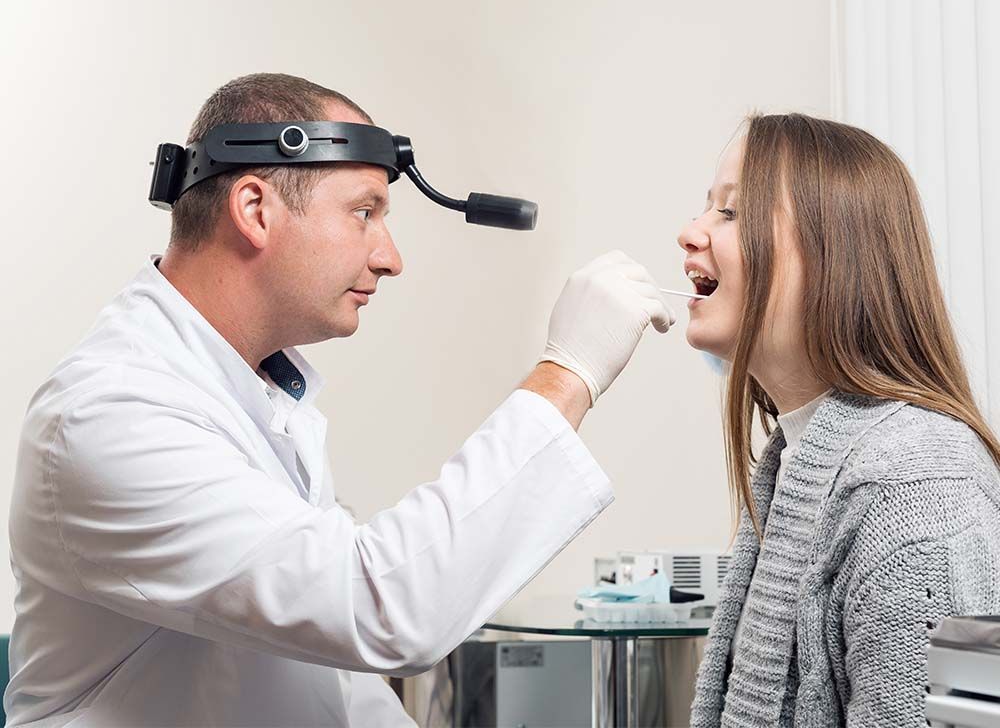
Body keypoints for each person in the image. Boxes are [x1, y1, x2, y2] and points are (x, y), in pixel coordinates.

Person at [5, 73, 674, 727]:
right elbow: (381, 607)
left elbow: (332, 683)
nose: (390, 257)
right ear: (255, 210)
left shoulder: (257, 393)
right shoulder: (111, 415)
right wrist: (568, 373)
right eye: (365, 213)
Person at [679, 113, 1000, 727]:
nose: (689, 233)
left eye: (732, 211)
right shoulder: (796, 460)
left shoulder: (919, 498)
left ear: (835, 255)